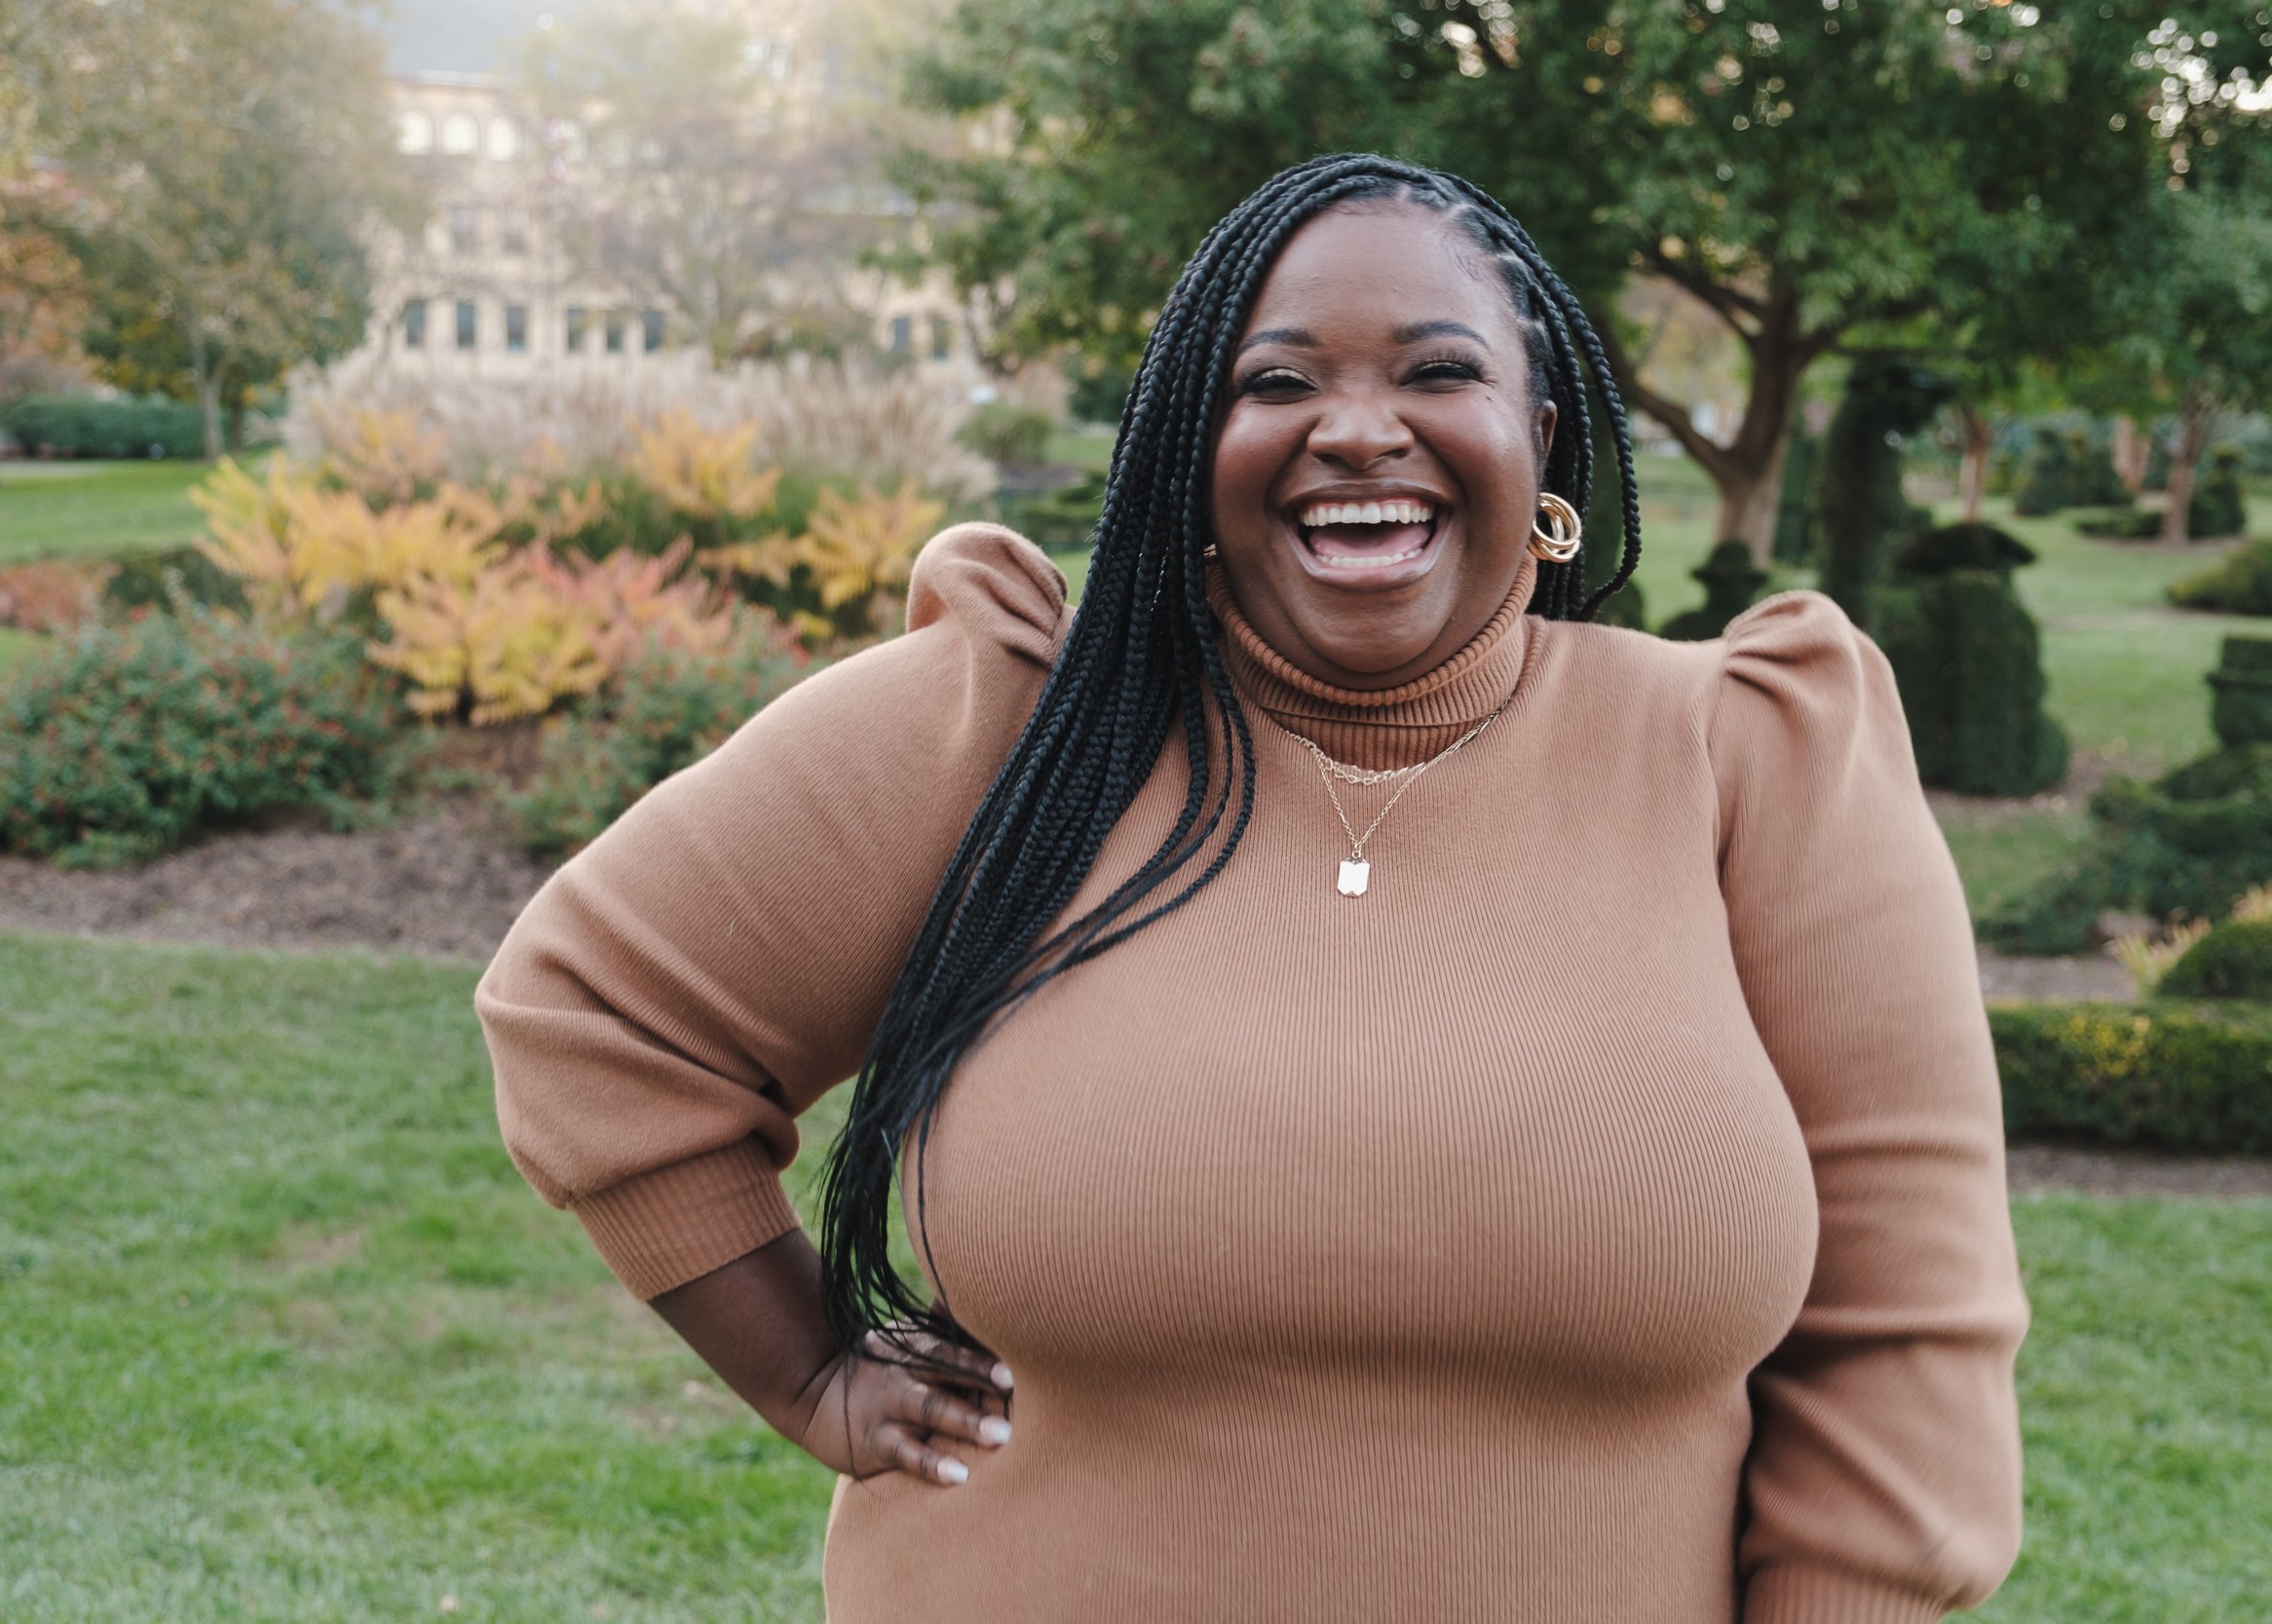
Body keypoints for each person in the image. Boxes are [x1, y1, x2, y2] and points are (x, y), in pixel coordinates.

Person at [475, 154, 2027, 1622]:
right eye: (1276, 383)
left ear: (1542, 437)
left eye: (1438, 373)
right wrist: (804, 1373)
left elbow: (1907, 1346)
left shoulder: (1755, 760)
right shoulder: (1018, 729)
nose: (1359, 431)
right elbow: (591, 1019)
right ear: (1183, 451)